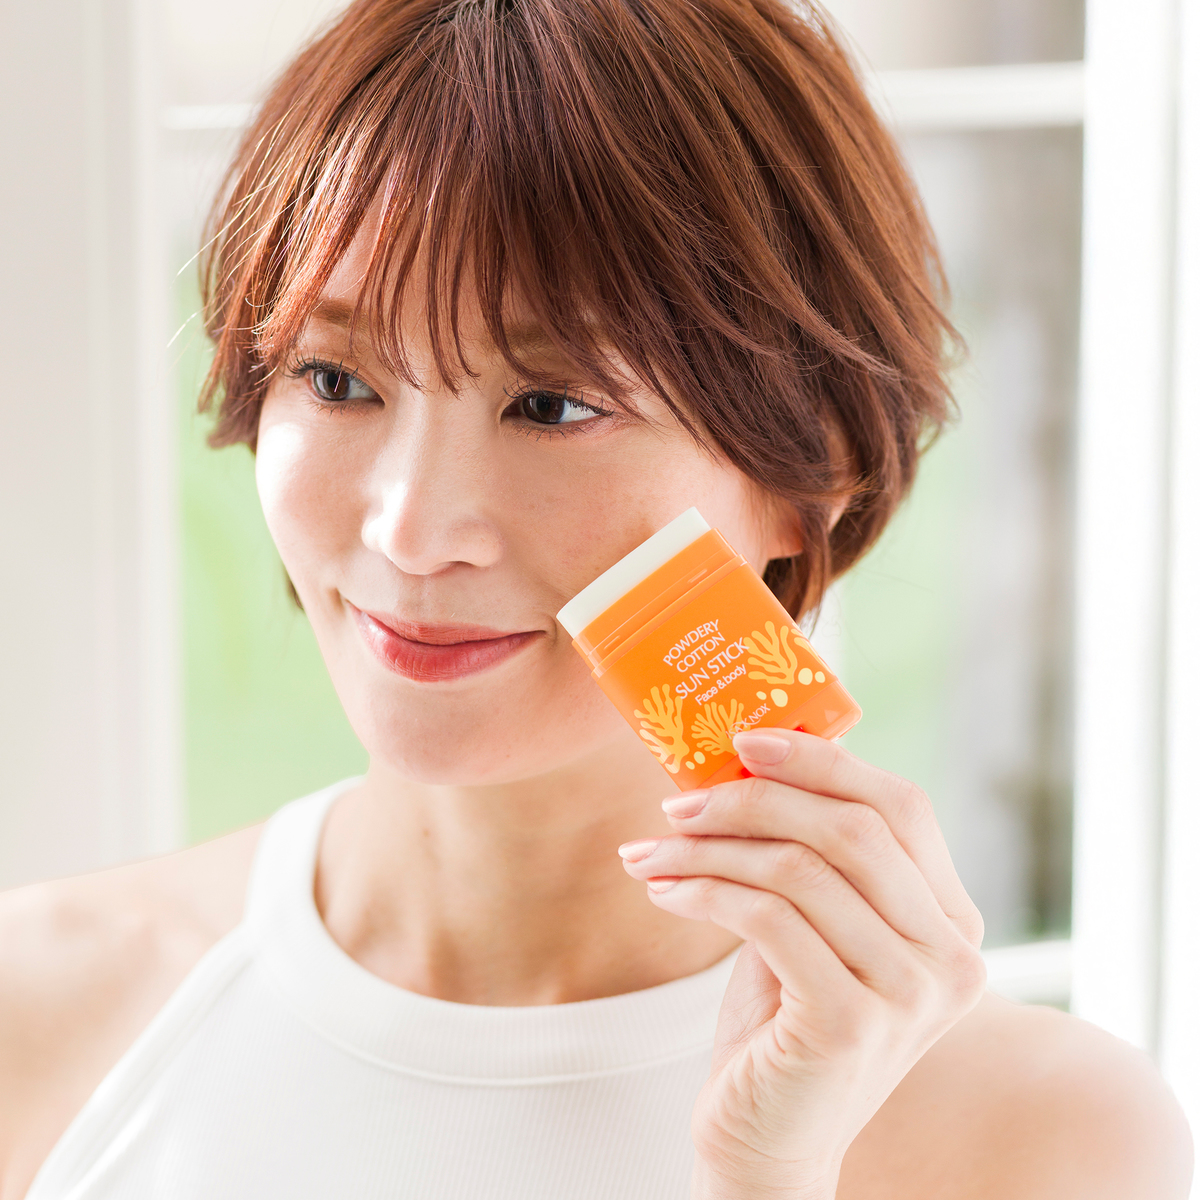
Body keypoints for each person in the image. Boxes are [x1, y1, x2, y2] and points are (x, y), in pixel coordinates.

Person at [0, 0, 1191, 1195]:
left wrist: (770, 1175)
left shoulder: (1047, 1139)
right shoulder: (42, 1011)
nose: (410, 528)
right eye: (336, 379)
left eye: (552, 406)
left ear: (809, 473)